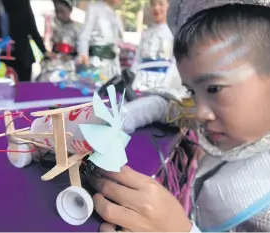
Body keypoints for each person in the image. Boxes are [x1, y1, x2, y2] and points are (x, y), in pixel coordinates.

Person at [88, 0, 270, 232]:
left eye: (214, 89)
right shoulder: (226, 119)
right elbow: (166, 106)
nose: (199, 112)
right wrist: (121, 119)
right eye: (192, 91)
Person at [0, 0, 47, 82]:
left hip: (21, 57)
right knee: (0, 89)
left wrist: (44, 52)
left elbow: (31, 28)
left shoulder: (21, 3)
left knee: (22, 90)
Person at [131, 0, 177, 94]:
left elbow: (175, 62)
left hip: (162, 81)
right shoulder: (145, 33)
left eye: (160, 4)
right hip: (139, 82)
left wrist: (165, 85)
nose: (156, 8)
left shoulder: (174, 32)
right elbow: (137, 60)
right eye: (153, 4)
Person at [77, 0, 123, 80]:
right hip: (96, 62)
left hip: (112, 65)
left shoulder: (115, 15)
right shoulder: (94, 8)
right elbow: (84, 35)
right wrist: (83, 54)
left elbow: (115, 43)